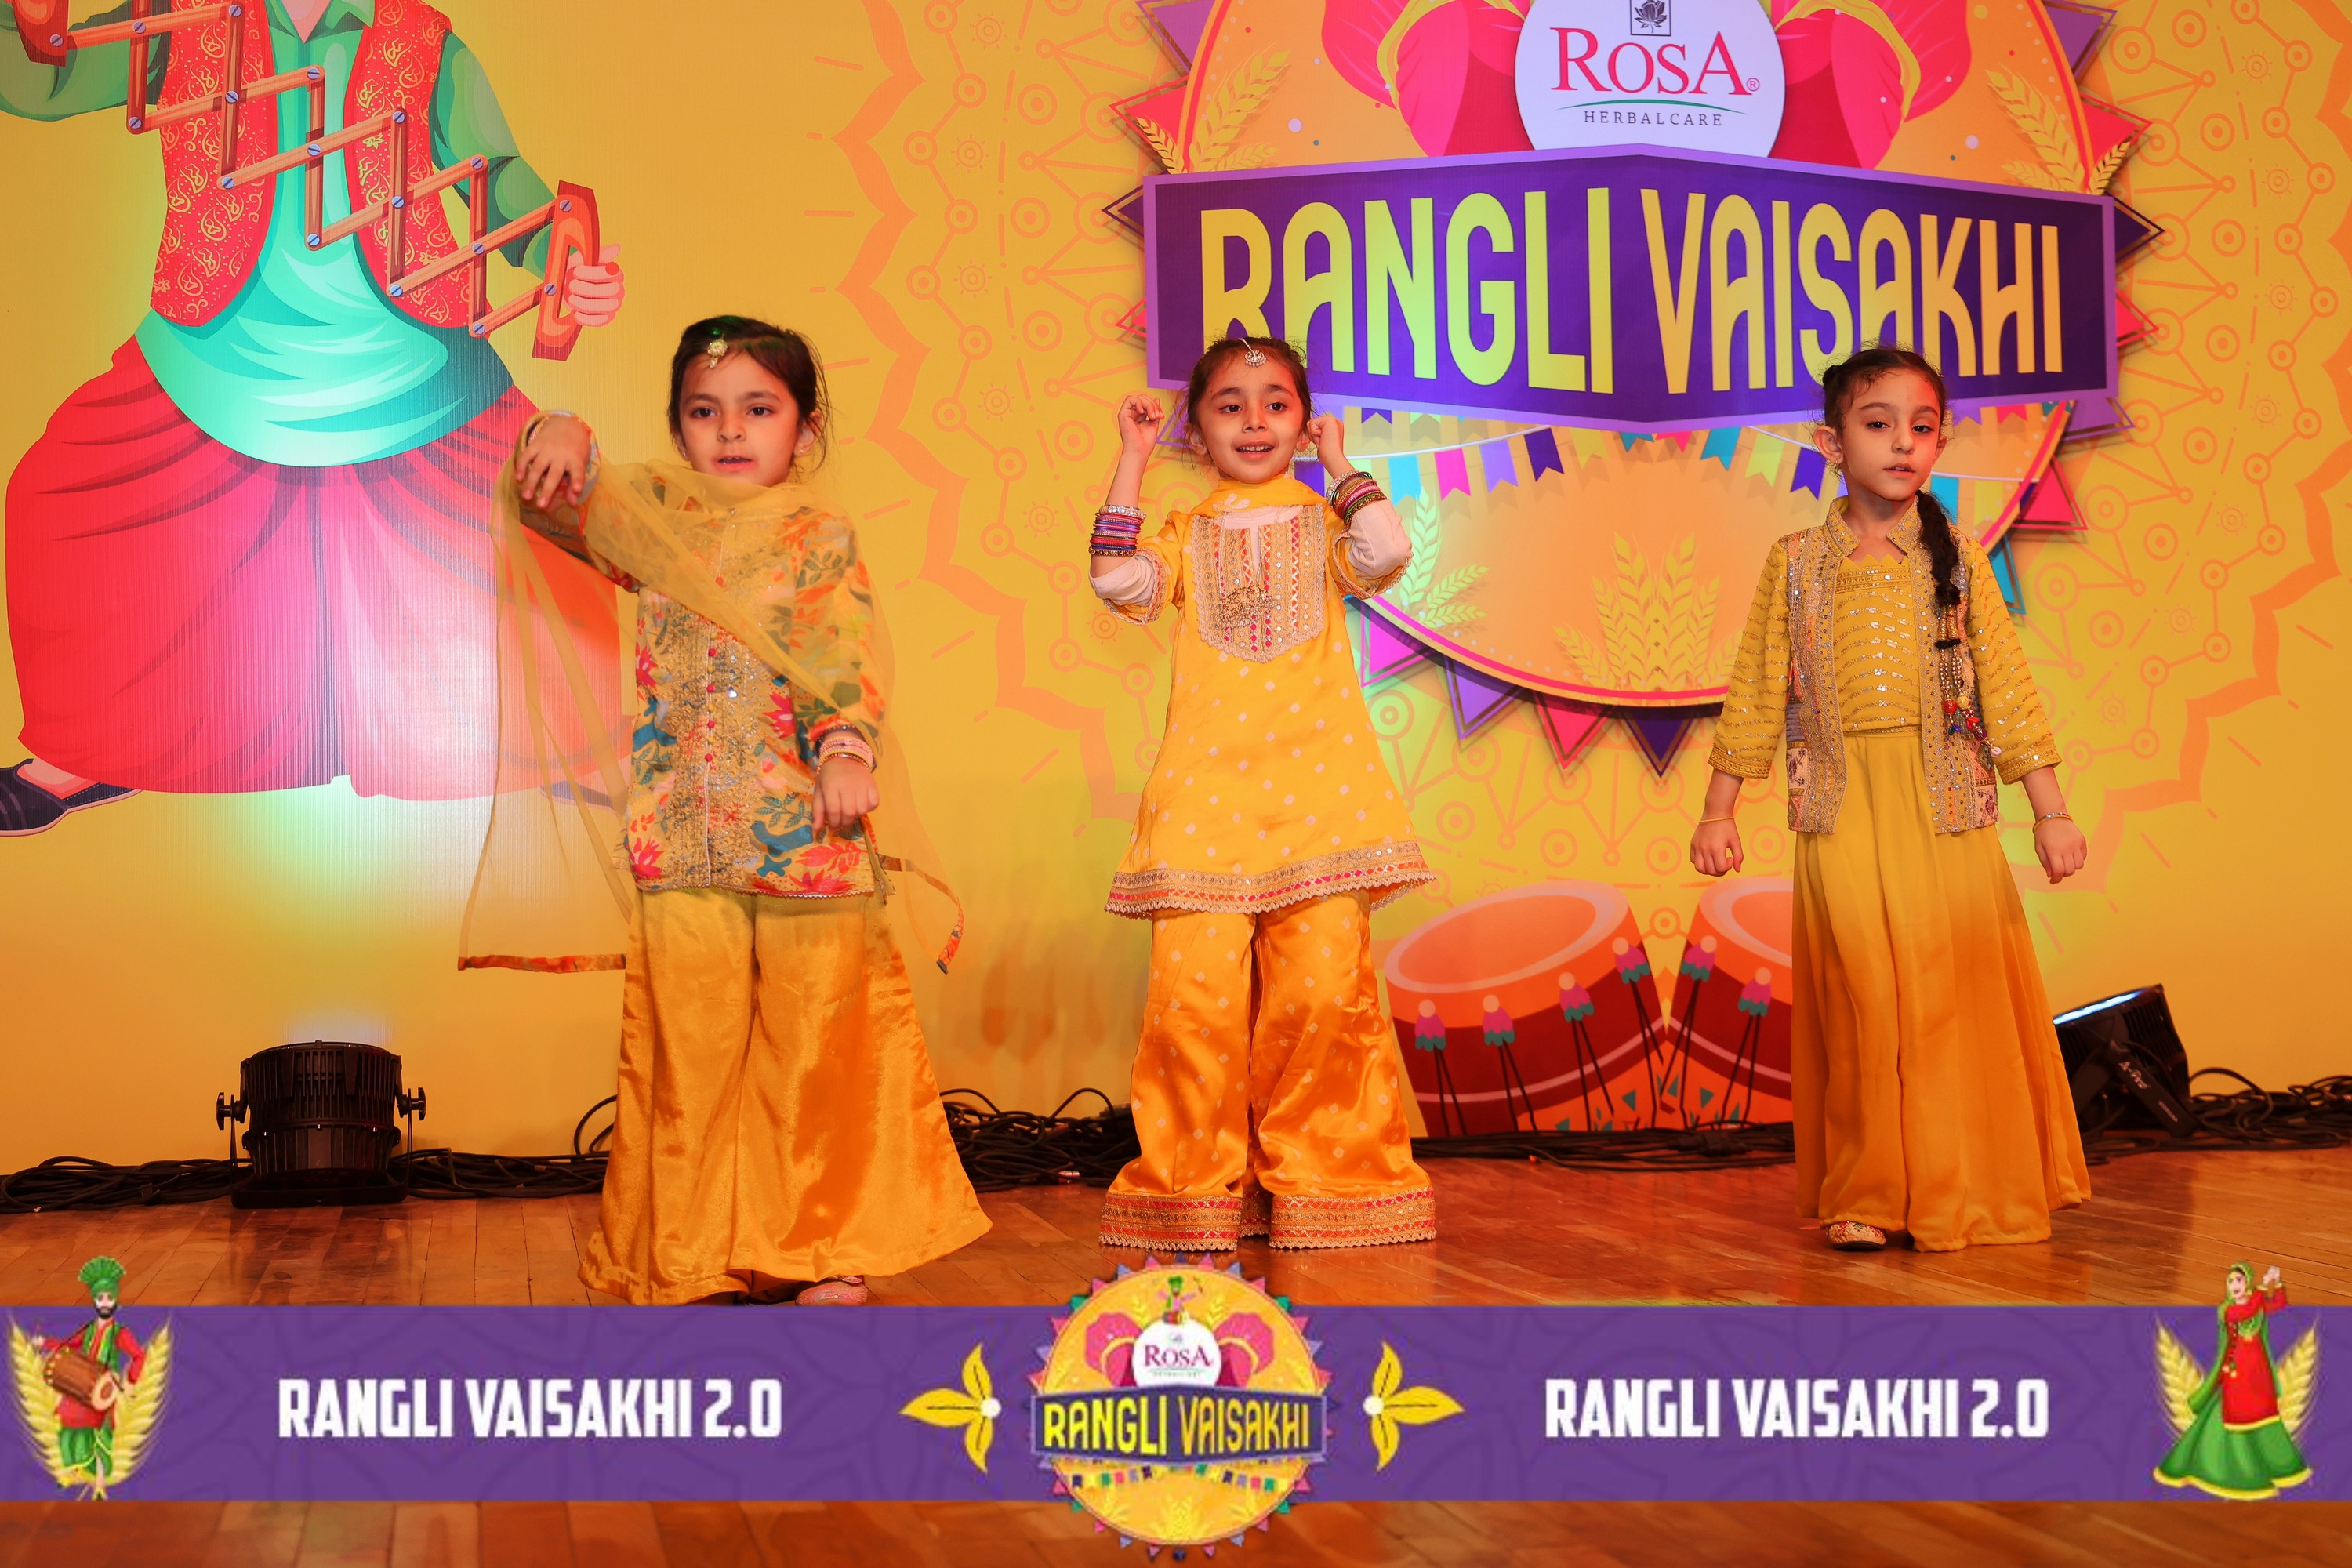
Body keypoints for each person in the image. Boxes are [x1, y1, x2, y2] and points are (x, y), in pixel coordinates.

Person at [0, 0, 626, 833]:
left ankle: (568, 742)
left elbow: (498, 174)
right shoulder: (179, 19)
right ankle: (89, 746)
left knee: (545, 508)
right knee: (58, 501)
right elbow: (47, 79)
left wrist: (561, 261)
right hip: (214, 355)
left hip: (415, 360)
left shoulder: (423, 37)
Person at [508, 315, 986, 1304]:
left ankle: (819, 1246)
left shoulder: (819, 535)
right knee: (690, 1052)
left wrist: (845, 751)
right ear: (679, 428)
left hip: (807, 831)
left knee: (814, 1048)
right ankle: (691, 1256)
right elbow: (553, 507)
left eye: (758, 409)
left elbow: (841, 653)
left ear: (803, 431)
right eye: (704, 410)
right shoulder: (657, 523)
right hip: (683, 833)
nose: (730, 429)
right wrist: (557, 430)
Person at [1692, 344, 2092, 1253]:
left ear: (1939, 443)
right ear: (1831, 442)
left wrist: (2051, 809)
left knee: (1948, 996)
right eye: (1878, 424)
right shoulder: (1797, 563)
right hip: (1841, 809)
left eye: (1922, 427)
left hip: (1944, 807)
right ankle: (1870, 1190)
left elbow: (2008, 690)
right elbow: (1756, 687)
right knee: (1865, 998)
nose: (1903, 443)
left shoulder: (1960, 561)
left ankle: (1962, 1185)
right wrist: (1719, 808)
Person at [1086, 336, 1436, 1253]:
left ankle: (1328, 1182)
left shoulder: (1325, 525)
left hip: (1321, 801)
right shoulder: (1183, 532)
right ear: (1196, 430)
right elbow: (1115, 578)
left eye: (1276, 402)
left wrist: (1339, 462)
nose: (1253, 420)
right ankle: (1193, 1189)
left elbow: (1388, 548)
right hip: (1204, 801)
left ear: (1303, 418)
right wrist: (1131, 456)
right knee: (1192, 1003)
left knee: (1320, 999)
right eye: (1229, 405)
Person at [2154, 1263, 2314, 1498]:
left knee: (2264, 1413)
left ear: (2246, 1282)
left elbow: (2278, 1304)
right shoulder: (2227, 1310)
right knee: (2236, 1413)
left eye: (2238, 1280)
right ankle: (2233, 1468)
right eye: (2230, 1281)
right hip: (2237, 1372)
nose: (2234, 1285)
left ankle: (2275, 1463)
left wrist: (2277, 1282)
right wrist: (2262, 1287)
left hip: (2258, 1373)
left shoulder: (2256, 1305)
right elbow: (2246, 1312)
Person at [26, 1258, 145, 1483]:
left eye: (109, 1298)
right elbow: (68, 1346)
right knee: (68, 1429)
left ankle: (99, 1482)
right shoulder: (88, 1329)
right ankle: (72, 1472)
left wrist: (130, 1382)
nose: (105, 1303)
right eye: (100, 1298)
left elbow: (139, 1356)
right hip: (80, 1385)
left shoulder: (120, 1332)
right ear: (95, 1302)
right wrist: (45, 1343)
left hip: (104, 1389)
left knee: (97, 1436)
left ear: (115, 1300)